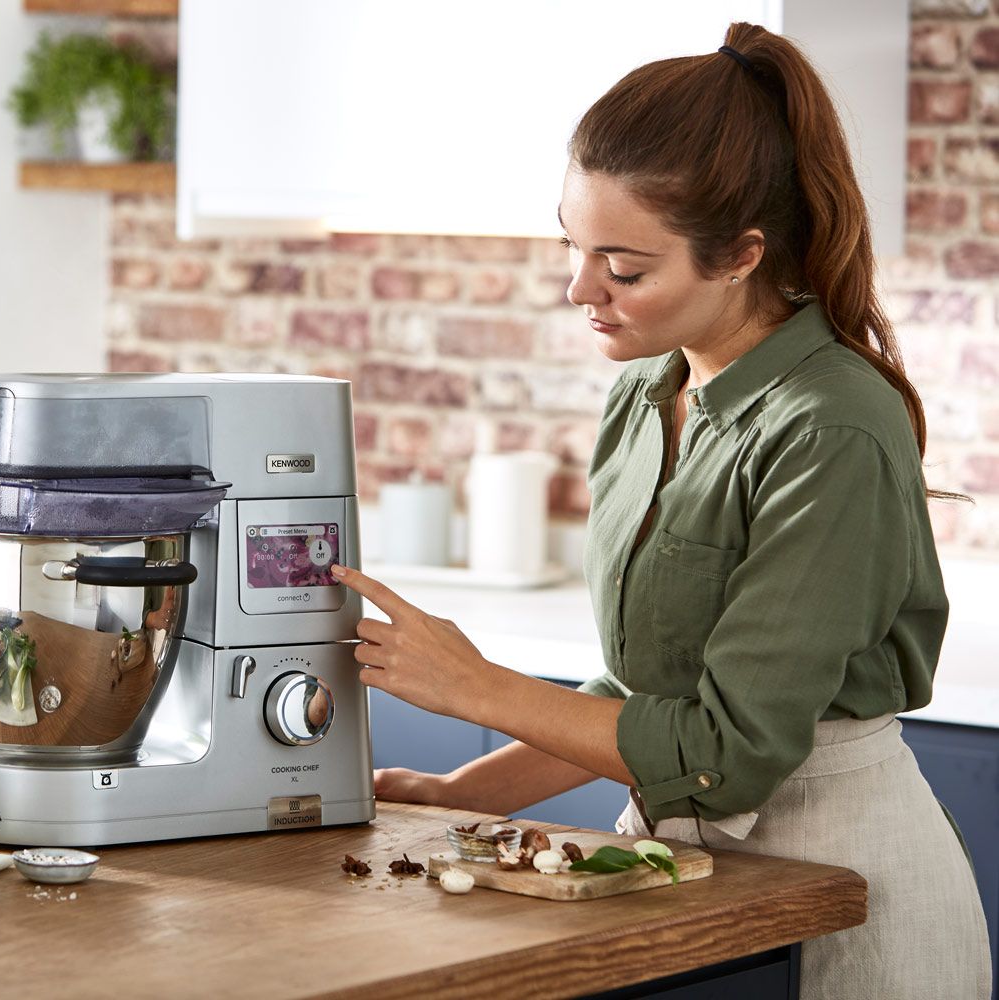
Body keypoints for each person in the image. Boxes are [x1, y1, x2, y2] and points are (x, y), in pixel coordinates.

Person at [329, 21, 991, 1000]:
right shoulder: (647, 396)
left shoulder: (834, 427)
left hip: (846, 897)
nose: (578, 288)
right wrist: (464, 792)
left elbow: (727, 752)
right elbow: (650, 690)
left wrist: (471, 685)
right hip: (683, 882)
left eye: (624, 268)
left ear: (740, 256)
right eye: (573, 246)